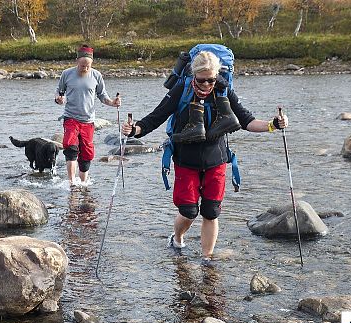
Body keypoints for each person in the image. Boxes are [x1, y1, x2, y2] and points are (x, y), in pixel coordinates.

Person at [122, 51, 288, 266]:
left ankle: (207, 259)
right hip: (185, 161)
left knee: (211, 212)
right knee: (189, 211)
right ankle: (178, 238)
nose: (207, 84)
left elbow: (246, 120)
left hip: (216, 161)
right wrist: (134, 130)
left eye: (211, 79)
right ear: (194, 75)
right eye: (202, 80)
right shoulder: (181, 89)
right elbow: (156, 117)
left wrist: (273, 125)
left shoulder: (224, 90)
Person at [55, 44, 121, 184]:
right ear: (77, 61)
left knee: (87, 154)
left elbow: (103, 96)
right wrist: (59, 99)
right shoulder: (66, 74)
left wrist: (113, 102)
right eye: (82, 65)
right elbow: (59, 93)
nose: (85, 68)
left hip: (88, 120)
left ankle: (83, 184)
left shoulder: (96, 75)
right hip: (71, 117)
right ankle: (72, 183)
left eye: (88, 66)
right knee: (70, 147)